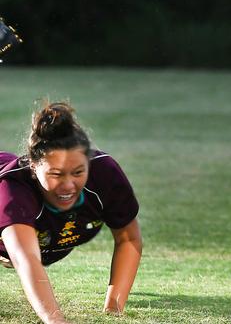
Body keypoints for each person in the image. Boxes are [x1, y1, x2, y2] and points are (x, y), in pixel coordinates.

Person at [0, 102, 142, 324]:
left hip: (49, 243)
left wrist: (114, 308)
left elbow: (128, 239)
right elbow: (26, 259)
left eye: (78, 172)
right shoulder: (14, 191)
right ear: (34, 166)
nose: (68, 185)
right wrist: (56, 321)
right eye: (56, 174)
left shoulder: (104, 174)